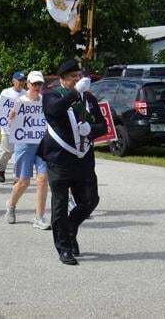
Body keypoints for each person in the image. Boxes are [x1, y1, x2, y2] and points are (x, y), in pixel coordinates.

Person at [39, 60, 106, 265]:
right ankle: (64, 247)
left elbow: (103, 125)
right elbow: (55, 111)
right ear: (62, 79)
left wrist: (91, 130)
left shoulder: (90, 99)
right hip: (59, 158)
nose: (77, 80)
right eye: (72, 77)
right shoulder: (51, 95)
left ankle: (70, 228)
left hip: (83, 158)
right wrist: (75, 93)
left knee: (90, 200)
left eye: (79, 76)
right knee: (59, 203)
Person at [5, 71, 51, 230]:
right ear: (28, 84)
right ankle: (11, 205)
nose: (37, 87)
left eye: (40, 84)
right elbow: (10, 125)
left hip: (42, 144)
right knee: (24, 181)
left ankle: (39, 217)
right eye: (34, 84)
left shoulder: (46, 101)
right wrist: (11, 119)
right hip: (24, 144)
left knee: (43, 179)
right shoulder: (20, 102)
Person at [0, 71, 27, 182]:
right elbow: (0, 108)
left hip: (21, 129)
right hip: (7, 128)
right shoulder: (6, 92)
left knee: (20, 153)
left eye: (23, 80)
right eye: (19, 80)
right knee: (7, 152)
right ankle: (1, 169)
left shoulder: (26, 94)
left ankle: (16, 176)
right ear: (13, 81)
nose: (22, 83)